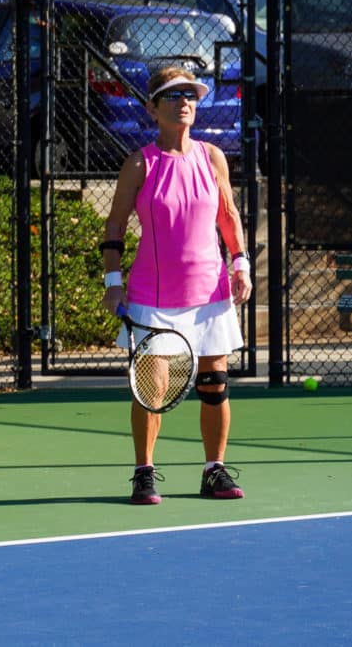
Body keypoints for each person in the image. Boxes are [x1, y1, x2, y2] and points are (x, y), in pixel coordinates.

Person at [100, 66, 253, 505]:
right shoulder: (139, 163)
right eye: (172, 95)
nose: (184, 102)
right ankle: (144, 472)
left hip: (209, 292)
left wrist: (240, 264)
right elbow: (114, 226)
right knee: (152, 390)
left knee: (215, 384)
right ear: (152, 109)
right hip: (153, 296)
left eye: (190, 95)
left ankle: (213, 469)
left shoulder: (213, 157)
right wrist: (113, 282)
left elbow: (228, 216)